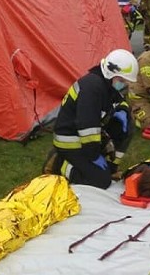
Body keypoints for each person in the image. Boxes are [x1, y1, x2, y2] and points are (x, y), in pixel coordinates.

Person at [45, 49, 137, 189]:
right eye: (121, 80)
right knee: (101, 181)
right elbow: (87, 127)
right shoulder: (92, 87)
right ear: (111, 73)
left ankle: (112, 167)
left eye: (126, 82)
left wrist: (123, 110)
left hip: (84, 136)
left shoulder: (106, 84)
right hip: (71, 141)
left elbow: (118, 100)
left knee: (128, 125)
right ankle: (59, 163)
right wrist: (94, 156)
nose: (123, 84)